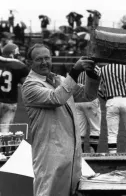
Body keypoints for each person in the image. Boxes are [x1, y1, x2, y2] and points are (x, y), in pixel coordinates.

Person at [21, 43, 100, 196]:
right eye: (39, 59)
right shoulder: (30, 86)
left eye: (47, 58)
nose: (44, 62)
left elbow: (87, 95)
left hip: (72, 154)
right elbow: (56, 98)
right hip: (50, 155)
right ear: (29, 63)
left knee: (72, 192)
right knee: (48, 192)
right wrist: (75, 71)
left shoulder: (59, 80)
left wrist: (92, 76)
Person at [98, 62, 126, 153]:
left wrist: (106, 97)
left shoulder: (102, 69)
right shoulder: (125, 68)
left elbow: (98, 88)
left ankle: (113, 158)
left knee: (112, 134)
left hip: (111, 101)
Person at [75, 71, 102, 153]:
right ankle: (92, 153)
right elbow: (101, 87)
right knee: (95, 128)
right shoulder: (96, 69)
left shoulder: (77, 67)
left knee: (80, 130)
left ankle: (80, 155)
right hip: (91, 99)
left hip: (77, 101)